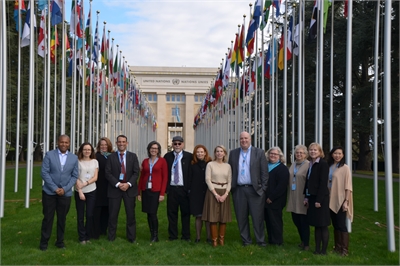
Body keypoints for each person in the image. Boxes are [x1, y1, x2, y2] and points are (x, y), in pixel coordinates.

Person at [228, 131, 268, 247]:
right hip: (239, 190)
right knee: (241, 217)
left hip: (255, 190)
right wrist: (232, 189)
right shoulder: (233, 153)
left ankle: (260, 240)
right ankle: (246, 240)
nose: (243, 140)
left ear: (250, 139)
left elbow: (264, 173)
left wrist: (263, 189)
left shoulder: (259, 152)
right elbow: (231, 172)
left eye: (246, 138)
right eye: (241, 139)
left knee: (258, 217)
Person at [39, 135, 78, 251]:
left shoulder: (74, 158)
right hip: (49, 193)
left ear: (69, 143)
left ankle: (60, 242)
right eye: (62, 142)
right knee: (48, 218)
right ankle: (44, 243)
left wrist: (65, 189)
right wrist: (55, 188)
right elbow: (44, 173)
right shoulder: (49, 155)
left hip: (65, 195)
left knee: (62, 219)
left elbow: (75, 176)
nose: (64, 144)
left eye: (66, 142)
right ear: (58, 142)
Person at [105, 135, 140, 243]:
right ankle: (111, 237)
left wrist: (128, 184)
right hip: (115, 189)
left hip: (129, 190)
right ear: (116, 143)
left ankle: (131, 237)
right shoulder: (111, 157)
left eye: (123, 142)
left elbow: (136, 172)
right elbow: (108, 173)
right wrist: (118, 184)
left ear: (127, 143)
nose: (121, 144)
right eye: (119, 142)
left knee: (130, 215)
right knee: (112, 215)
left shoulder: (133, 156)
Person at [164, 136, 193, 241]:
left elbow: (191, 173)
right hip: (172, 189)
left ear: (183, 144)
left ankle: (186, 236)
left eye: (179, 143)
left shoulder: (189, 156)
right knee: (172, 213)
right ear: (172, 144)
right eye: (175, 143)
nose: (177, 145)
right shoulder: (167, 157)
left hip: (184, 189)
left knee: (185, 214)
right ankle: (173, 235)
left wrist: (189, 189)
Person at [138, 141, 168, 242]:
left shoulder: (162, 161)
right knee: (148, 213)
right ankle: (152, 233)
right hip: (146, 190)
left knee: (153, 213)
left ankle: (155, 235)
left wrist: (162, 193)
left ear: (158, 150)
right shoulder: (145, 161)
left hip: (156, 190)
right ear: (149, 149)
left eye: (155, 148)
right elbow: (142, 177)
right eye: (152, 148)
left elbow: (165, 178)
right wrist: (139, 192)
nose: (153, 150)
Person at [202, 145, 232, 247]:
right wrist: (215, 194)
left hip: (224, 192)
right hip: (212, 192)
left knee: (223, 216)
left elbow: (230, 181)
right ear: (215, 153)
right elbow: (207, 179)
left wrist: (225, 194)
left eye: (221, 151)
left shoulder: (228, 166)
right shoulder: (210, 164)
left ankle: (221, 239)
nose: (219, 153)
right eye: (217, 151)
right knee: (213, 216)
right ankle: (214, 240)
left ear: (224, 153)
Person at [303, 142, 330, 255]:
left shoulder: (323, 164)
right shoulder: (310, 164)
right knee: (316, 225)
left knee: (322, 225)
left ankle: (323, 251)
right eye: (311, 150)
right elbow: (308, 182)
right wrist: (306, 197)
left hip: (321, 199)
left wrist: (319, 200)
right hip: (312, 197)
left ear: (320, 152)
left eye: (315, 150)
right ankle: (317, 249)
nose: (313, 152)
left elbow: (323, 183)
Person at [328, 146, 353, 256]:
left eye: (339, 153)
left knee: (341, 224)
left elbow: (348, 186)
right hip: (329, 198)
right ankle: (337, 247)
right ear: (332, 154)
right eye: (335, 153)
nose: (337, 155)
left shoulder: (345, 168)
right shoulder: (330, 166)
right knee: (335, 224)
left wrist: (346, 201)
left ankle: (344, 250)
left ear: (343, 155)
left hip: (341, 198)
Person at [286, 145, 310, 251]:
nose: (299, 154)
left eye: (301, 153)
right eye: (297, 153)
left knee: (303, 221)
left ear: (305, 154)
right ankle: (302, 241)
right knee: (296, 220)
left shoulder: (308, 165)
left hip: (302, 196)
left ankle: (306, 244)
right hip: (293, 196)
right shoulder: (293, 164)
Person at [264, 147, 290, 246]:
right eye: (271, 154)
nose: (273, 156)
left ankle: (277, 241)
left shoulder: (282, 169)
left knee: (275, 221)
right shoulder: (266, 166)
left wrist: (272, 197)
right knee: (268, 220)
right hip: (265, 200)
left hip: (276, 200)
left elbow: (282, 186)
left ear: (280, 156)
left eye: (275, 154)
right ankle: (271, 239)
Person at [75, 142, 98, 244]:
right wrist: (80, 191)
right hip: (79, 191)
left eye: (89, 149)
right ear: (81, 150)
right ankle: (82, 237)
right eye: (85, 149)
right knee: (80, 215)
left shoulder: (95, 162)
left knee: (89, 214)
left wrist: (85, 183)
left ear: (91, 151)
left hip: (92, 190)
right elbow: (75, 177)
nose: (87, 151)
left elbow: (95, 177)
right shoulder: (77, 161)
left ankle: (88, 236)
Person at [189, 145, 212, 243]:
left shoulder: (210, 164)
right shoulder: (192, 165)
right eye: (198, 152)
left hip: (208, 192)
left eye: (202, 152)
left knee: (207, 216)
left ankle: (209, 237)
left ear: (205, 153)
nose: (200, 154)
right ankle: (198, 237)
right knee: (198, 216)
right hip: (196, 193)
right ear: (195, 154)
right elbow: (189, 178)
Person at [93, 137, 114, 238]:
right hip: (98, 186)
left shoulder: (113, 156)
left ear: (109, 145)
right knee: (97, 209)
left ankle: (103, 229)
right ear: (99, 146)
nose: (104, 146)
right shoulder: (95, 156)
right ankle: (95, 230)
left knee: (107, 209)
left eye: (106, 145)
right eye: (102, 145)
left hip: (110, 186)